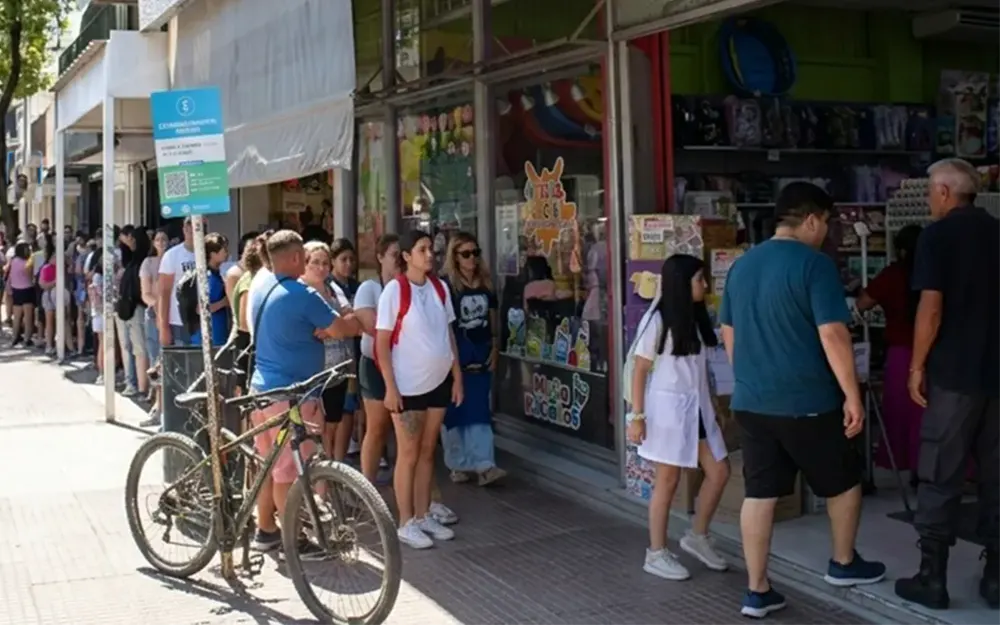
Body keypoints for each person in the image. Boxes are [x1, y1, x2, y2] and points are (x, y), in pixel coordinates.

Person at [719, 181, 885, 619]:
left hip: (752, 400)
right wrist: (852, 395)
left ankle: (757, 590)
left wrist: (749, 378)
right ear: (810, 219)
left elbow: (729, 333)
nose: (825, 232)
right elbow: (833, 334)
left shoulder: (741, 266)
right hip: (807, 399)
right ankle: (843, 563)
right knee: (844, 483)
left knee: (760, 493)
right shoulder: (815, 266)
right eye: (826, 223)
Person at [894, 158, 1000, 610]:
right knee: (998, 475)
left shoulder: (936, 237)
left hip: (955, 374)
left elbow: (931, 309)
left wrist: (916, 365)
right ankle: (996, 579)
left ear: (942, 191)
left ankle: (931, 577)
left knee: (940, 472)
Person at [247, 230, 359, 552]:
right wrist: (360, 320)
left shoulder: (264, 288)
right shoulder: (301, 293)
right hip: (290, 396)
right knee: (288, 472)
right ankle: (292, 541)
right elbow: (339, 328)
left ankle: (265, 530)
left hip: (263, 392)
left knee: (269, 465)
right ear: (296, 258)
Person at [629, 254, 730, 581]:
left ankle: (697, 535)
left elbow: (702, 371)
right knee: (668, 482)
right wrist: (637, 416)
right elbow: (640, 369)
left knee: (719, 471)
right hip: (668, 413)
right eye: (699, 279)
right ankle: (655, 552)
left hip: (698, 410)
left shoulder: (698, 320)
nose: (704, 284)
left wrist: (714, 405)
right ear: (681, 284)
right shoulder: (657, 320)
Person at [375, 229, 463, 550]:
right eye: (422, 249)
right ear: (407, 257)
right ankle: (406, 521)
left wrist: (457, 377)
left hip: (438, 382)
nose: (430, 254)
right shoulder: (394, 292)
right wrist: (390, 387)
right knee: (408, 454)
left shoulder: (440, 288)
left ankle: (424, 513)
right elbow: (382, 344)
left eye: (431, 249)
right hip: (407, 387)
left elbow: (448, 335)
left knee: (428, 452)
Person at [854, 225, 924, 479]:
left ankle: (909, 467)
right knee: (932, 415)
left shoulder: (893, 275)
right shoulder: (938, 273)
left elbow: (862, 304)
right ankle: (931, 468)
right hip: (936, 353)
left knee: (901, 413)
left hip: (901, 354)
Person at [440, 232, 506, 486]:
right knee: (455, 409)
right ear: (455, 257)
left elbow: (493, 316)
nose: (472, 259)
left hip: (481, 349)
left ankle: (484, 464)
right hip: (457, 351)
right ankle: (457, 463)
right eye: (465, 254)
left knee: (479, 408)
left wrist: (495, 344)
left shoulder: (485, 283)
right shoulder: (447, 286)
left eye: (475, 253)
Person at [300, 241, 359, 462]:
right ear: (305, 263)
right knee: (317, 431)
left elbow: (353, 319)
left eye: (325, 263)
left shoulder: (333, 288)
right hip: (312, 373)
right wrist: (337, 326)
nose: (321, 268)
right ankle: (319, 483)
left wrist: (331, 328)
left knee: (333, 426)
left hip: (337, 371)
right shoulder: (300, 291)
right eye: (315, 262)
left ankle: (330, 475)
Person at [356, 234, 400, 484]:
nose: (398, 261)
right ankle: (367, 484)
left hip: (403, 366)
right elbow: (373, 326)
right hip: (373, 365)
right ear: (381, 257)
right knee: (378, 426)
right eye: (393, 255)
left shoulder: (409, 288)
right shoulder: (369, 288)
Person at [328, 238, 361, 460]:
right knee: (335, 416)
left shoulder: (356, 286)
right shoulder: (328, 286)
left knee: (349, 410)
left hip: (353, 354)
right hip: (333, 357)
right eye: (343, 260)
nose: (348, 264)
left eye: (351, 259)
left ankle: (340, 461)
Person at [139, 229, 169, 427]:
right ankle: (158, 407)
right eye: (158, 239)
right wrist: (159, 308)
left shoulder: (174, 259)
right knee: (156, 361)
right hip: (154, 314)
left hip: (172, 315)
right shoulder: (148, 263)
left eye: (164, 239)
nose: (161, 242)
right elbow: (146, 293)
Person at [116, 228, 150, 397]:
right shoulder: (131, 261)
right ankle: (132, 382)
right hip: (125, 309)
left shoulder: (144, 260)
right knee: (128, 348)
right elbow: (126, 255)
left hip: (137, 308)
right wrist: (126, 243)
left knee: (139, 349)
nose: (131, 244)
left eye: (133, 240)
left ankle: (140, 386)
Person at [158, 217, 199, 347]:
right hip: (179, 320)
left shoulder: (208, 253)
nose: (191, 229)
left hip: (204, 319)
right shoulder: (172, 255)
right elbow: (164, 292)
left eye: (195, 225)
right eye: (188, 226)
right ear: (184, 229)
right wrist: (163, 326)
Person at [190, 233, 231, 347]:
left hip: (216, 334)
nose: (227, 253)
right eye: (224, 249)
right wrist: (224, 302)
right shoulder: (207, 277)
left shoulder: (216, 274)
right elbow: (201, 309)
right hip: (209, 337)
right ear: (213, 254)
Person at [8, 242, 36, 346]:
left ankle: (15, 337)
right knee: (28, 317)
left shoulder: (14, 261)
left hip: (16, 289)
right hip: (27, 289)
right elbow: (30, 276)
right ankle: (27, 339)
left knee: (17, 316)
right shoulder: (27, 262)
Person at [89, 250, 106, 385]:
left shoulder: (97, 276)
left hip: (99, 312)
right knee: (103, 343)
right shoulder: (98, 277)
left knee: (104, 343)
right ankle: (102, 372)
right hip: (101, 312)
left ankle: (104, 372)